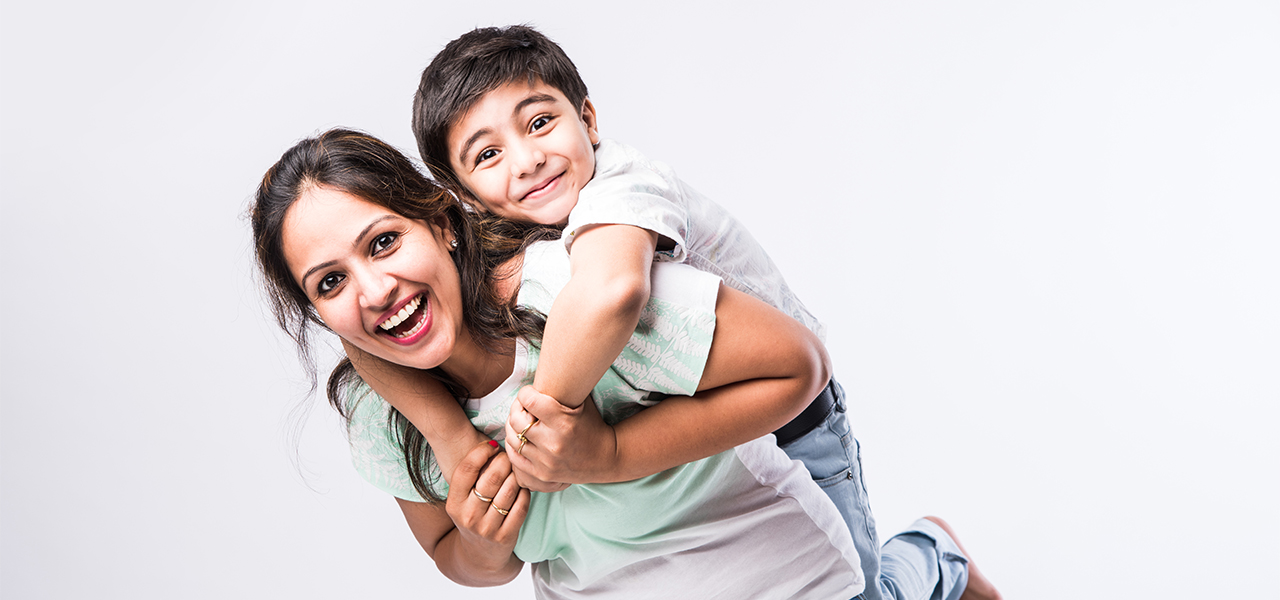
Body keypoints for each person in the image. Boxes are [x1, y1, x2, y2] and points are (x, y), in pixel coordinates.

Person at [391, 24, 1000, 600]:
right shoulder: (496, 240)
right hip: (694, 414)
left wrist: (544, 429)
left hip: (789, 413)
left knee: (856, 590)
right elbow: (363, 342)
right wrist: (448, 435)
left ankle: (934, 552)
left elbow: (612, 292)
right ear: (465, 197)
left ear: (589, 120)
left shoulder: (622, 186)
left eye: (542, 122)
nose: (526, 160)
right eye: (488, 156)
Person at [252, 128, 865, 598]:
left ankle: (929, 559)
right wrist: (480, 541)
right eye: (331, 282)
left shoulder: (573, 297)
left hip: (777, 580)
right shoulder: (378, 411)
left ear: (442, 223)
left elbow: (797, 367)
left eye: (384, 242)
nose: (374, 290)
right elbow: (457, 557)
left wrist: (607, 455)